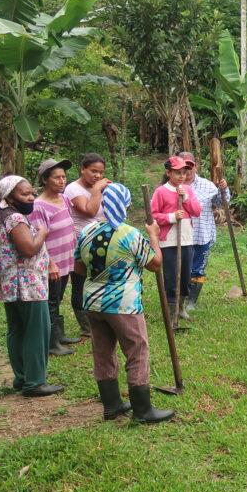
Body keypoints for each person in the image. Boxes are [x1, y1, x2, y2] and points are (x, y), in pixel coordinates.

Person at [74, 183, 174, 423]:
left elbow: (78, 267)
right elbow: (155, 264)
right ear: (126, 204)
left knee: (103, 351)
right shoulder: (130, 234)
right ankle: (142, 410)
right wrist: (153, 236)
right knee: (136, 351)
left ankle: (112, 405)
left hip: (93, 302)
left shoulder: (87, 230)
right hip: (123, 304)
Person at [0, 175, 64, 397]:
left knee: (18, 330)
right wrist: (41, 233)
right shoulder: (14, 218)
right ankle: (35, 382)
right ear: (9, 197)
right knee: (36, 332)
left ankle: (22, 377)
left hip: (11, 284)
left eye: (32, 192)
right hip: (26, 284)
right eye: (24, 194)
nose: (31, 197)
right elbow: (28, 249)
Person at [30, 159, 80, 356]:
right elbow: (38, 238)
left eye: (64, 177)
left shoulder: (64, 199)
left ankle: (60, 336)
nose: (62, 181)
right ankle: (51, 343)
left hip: (66, 259)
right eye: (57, 178)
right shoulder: (38, 206)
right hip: (52, 263)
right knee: (51, 301)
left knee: (57, 298)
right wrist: (50, 263)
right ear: (45, 180)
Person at [149, 156, 201, 326]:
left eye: (184, 173)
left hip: (186, 238)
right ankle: (171, 313)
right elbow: (153, 215)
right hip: (169, 241)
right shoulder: (161, 192)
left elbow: (196, 211)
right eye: (178, 172)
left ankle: (181, 308)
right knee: (172, 275)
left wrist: (185, 197)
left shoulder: (187, 190)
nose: (182, 176)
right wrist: (171, 217)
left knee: (186, 275)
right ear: (168, 172)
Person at [177, 151, 229, 316]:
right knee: (179, 269)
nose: (186, 170)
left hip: (201, 235)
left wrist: (224, 190)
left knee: (197, 270)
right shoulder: (170, 186)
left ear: (195, 166)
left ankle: (191, 302)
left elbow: (221, 203)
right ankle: (178, 302)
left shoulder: (207, 185)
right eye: (183, 166)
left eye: (189, 166)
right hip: (178, 236)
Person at [64, 153, 110, 339]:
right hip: (79, 243)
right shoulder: (73, 189)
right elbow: (90, 211)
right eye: (93, 171)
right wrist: (98, 190)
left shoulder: (99, 188)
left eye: (100, 172)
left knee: (99, 280)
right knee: (80, 282)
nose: (97, 176)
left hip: (100, 242)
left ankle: (99, 318)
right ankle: (85, 326)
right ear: (82, 169)